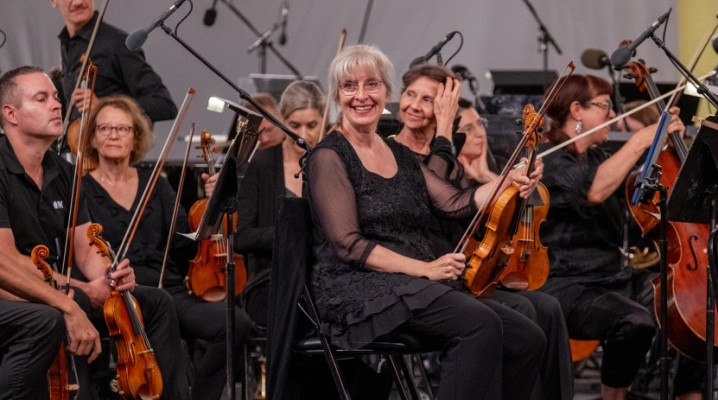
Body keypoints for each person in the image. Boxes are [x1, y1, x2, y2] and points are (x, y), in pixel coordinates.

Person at [305, 44, 545, 400]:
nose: (360, 95)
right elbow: (348, 245)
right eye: (349, 86)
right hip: (358, 288)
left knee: (528, 338)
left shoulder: (398, 153)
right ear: (338, 96)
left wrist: (508, 180)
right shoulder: (328, 156)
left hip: (409, 282)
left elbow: (454, 202)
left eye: (371, 84)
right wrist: (425, 269)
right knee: (479, 325)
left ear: (386, 92)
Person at [394, 64, 572, 400]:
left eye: (428, 100)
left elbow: (469, 216)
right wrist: (445, 128)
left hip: (457, 273)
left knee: (546, 308)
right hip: (421, 277)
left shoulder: (449, 159)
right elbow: (435, 203)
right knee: (524, 315)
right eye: (410, 94)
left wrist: (514, 184)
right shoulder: (393, 154)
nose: (415, 105)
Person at [80, 94, 253, 399]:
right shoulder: (80, 188)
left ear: (136, 137)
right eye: (105, 128)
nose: (113, 135)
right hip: (118, 295)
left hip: (168, 289)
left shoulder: (155, 183)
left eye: (123, 129)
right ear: (92, 137)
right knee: (163, 309)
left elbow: (186, 240)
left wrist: (213, 202)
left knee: (235, 322)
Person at [537, 74, 691, 400]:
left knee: (693, 307)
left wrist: (664, 149)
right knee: (635, 322)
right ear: (577, 109)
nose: (612, 115)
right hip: (567, 283)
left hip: (612, 276)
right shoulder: (545, 157)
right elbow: (593, 191)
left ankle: (688, 394)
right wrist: (640, 141)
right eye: (605, 106)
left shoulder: (596, 155)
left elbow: (627, 189)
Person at [0, 65, 101, 400]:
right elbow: (3, 263)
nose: (57, 105)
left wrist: (107, 277)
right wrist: (67, 299)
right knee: (49, 317)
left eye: (56, 98)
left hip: (42, 285)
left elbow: (86, 244)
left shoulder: (64, 171)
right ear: (10, 113)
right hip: (8, 288)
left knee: (151, 303)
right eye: (41, 99)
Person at [235, 80, 324, 327]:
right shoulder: (261, 165)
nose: (303, 136)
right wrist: (289, 234)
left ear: (323, 122)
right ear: (281, 121)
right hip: (270, 280)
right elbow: (241, 238)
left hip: (320, 277)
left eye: (312, 125)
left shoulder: (330, 163)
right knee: (303, 314)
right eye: (294, 126)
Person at [50, 0, 176, 125]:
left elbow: (164, 105)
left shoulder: (117, 44)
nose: (78, 2)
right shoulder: (67, 43)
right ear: (54, 1)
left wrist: (104, 107)